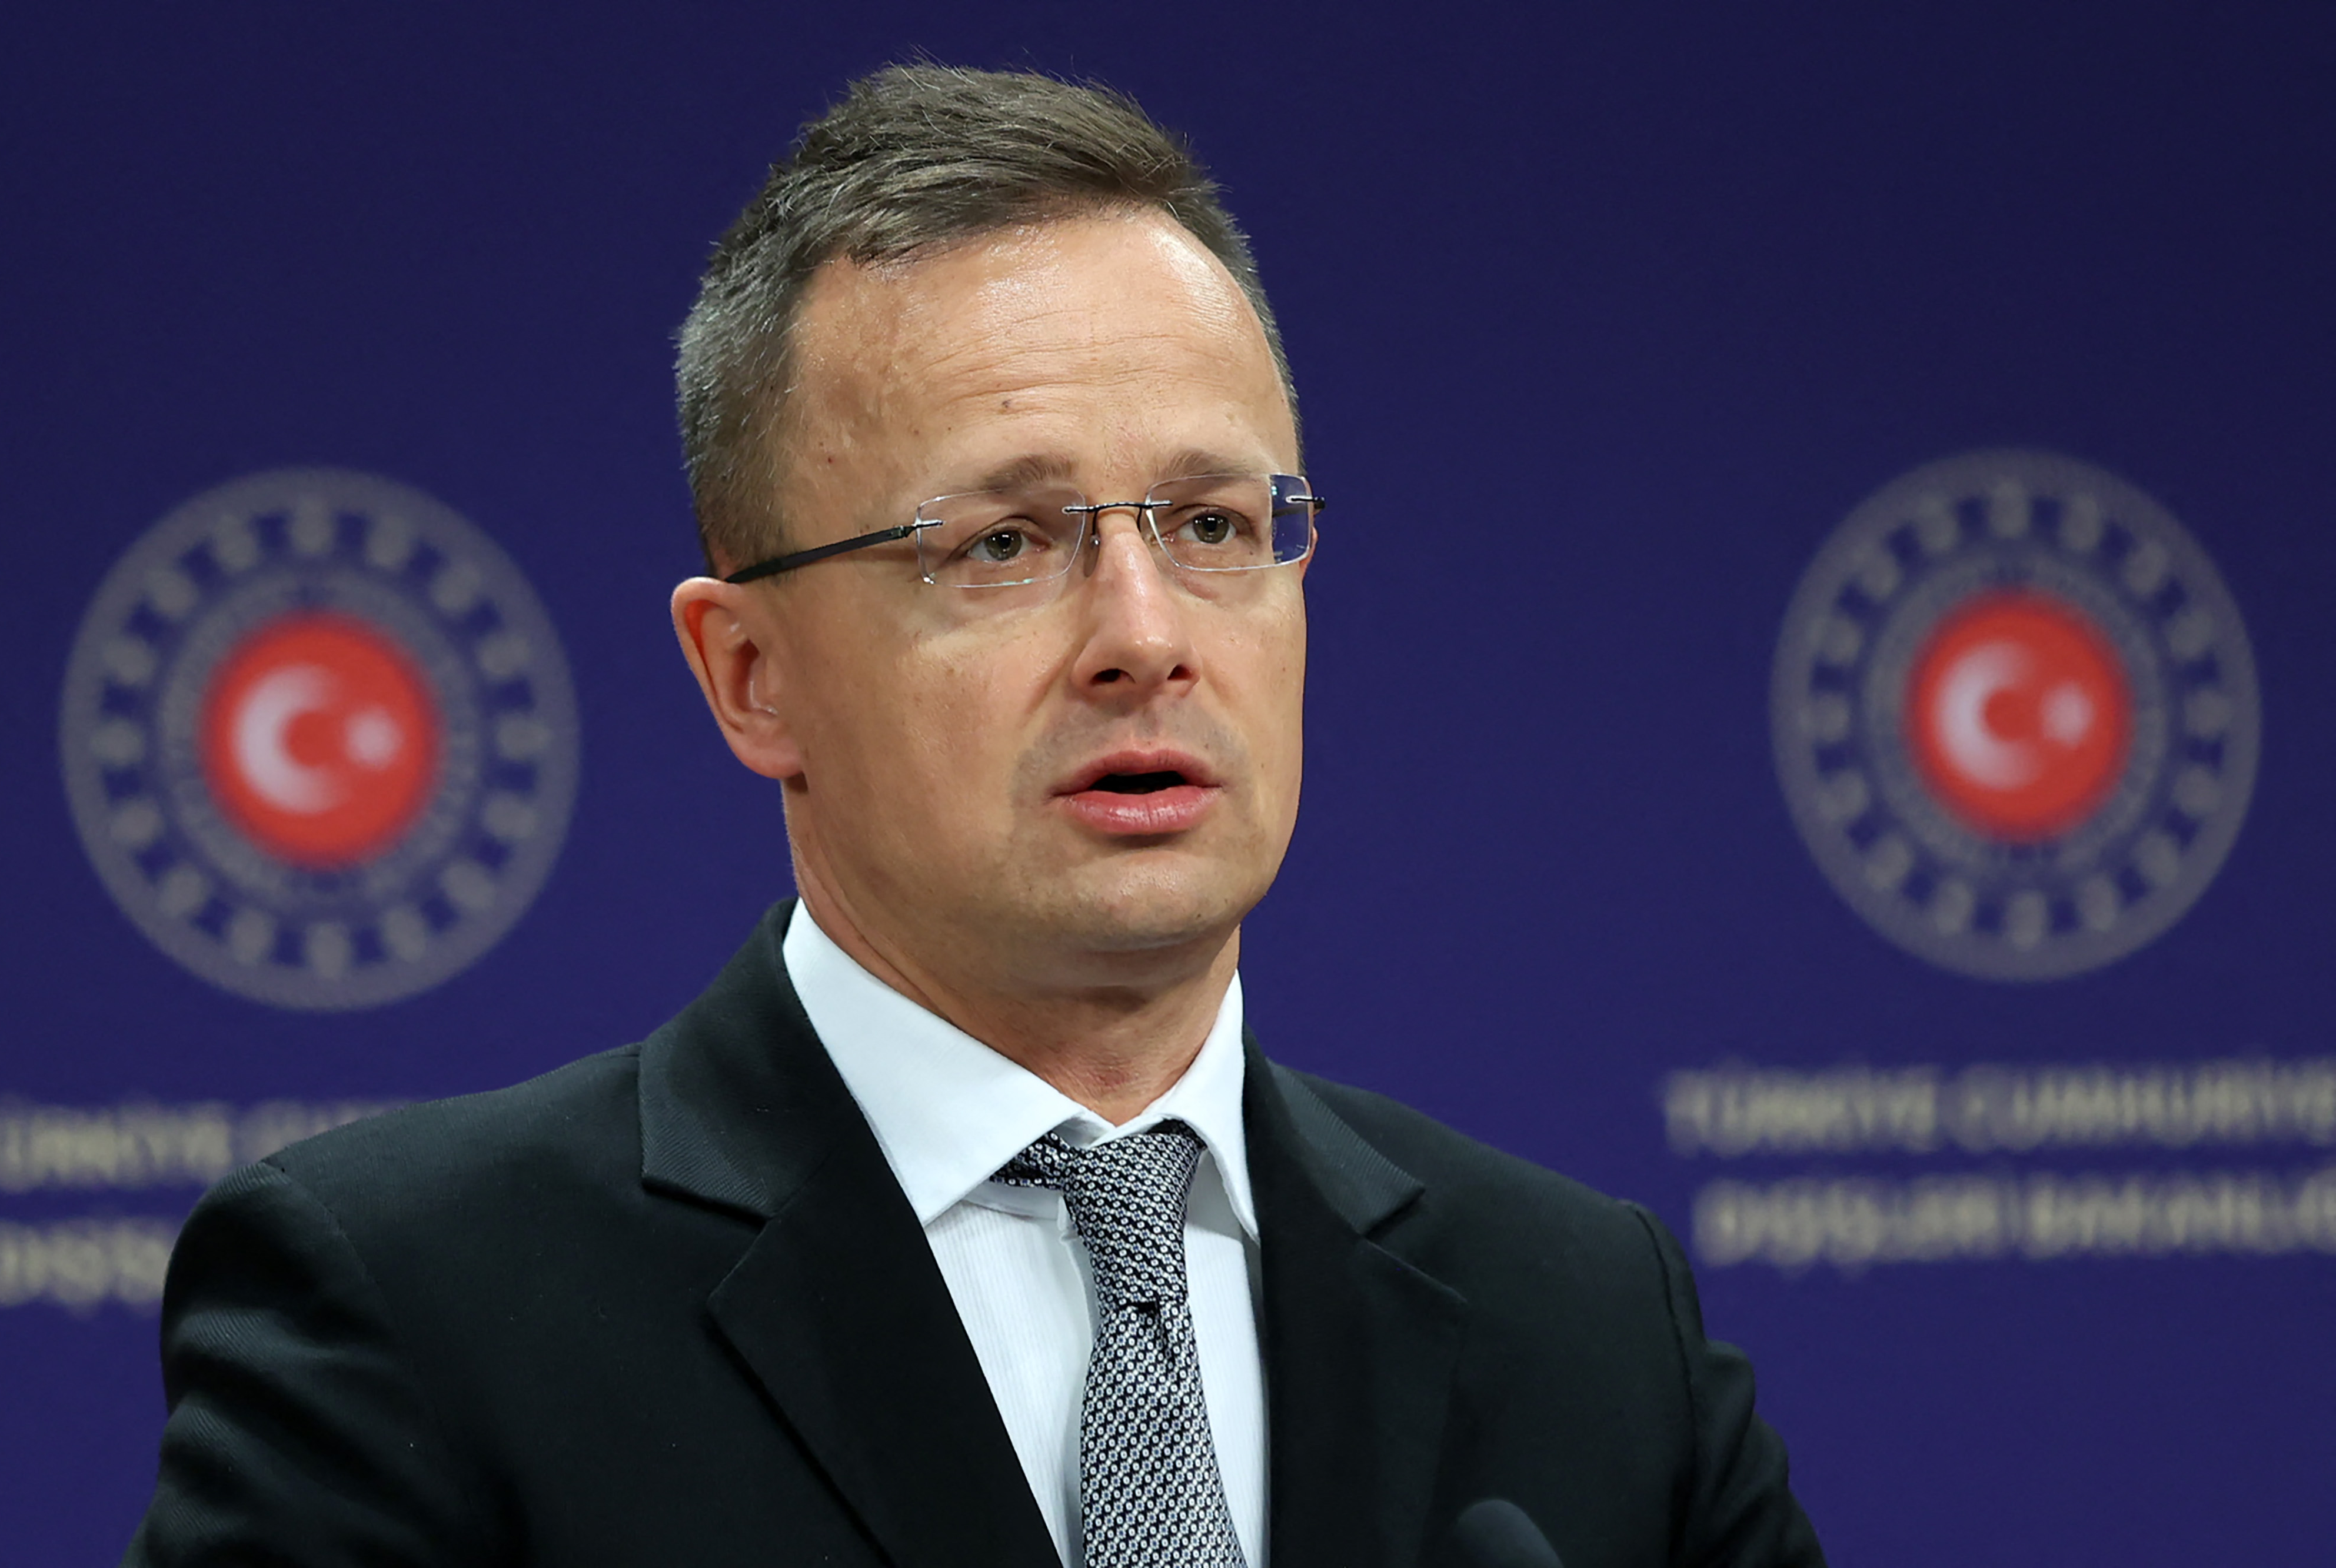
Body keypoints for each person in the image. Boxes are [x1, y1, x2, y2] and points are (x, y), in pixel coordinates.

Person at [125, 65, 1825, 1568]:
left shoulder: (1592, 1325)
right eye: (1004, 543)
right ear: (751, 675)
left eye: (1216, 523)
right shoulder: (418, 1312)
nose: (1147, 637)